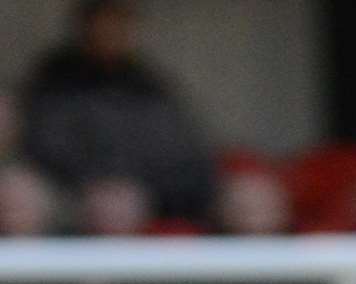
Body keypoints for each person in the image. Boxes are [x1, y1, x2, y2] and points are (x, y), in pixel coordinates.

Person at [20, 0, 216, 219]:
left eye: (120, 25)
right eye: (104, 24)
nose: (111, 34)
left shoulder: (150, 86)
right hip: (69, 202)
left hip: (145, 202)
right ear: (85, 28)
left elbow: (181, 153)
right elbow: (42, 146)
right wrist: (91, 186)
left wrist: (142, 192)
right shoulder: (54, 83)